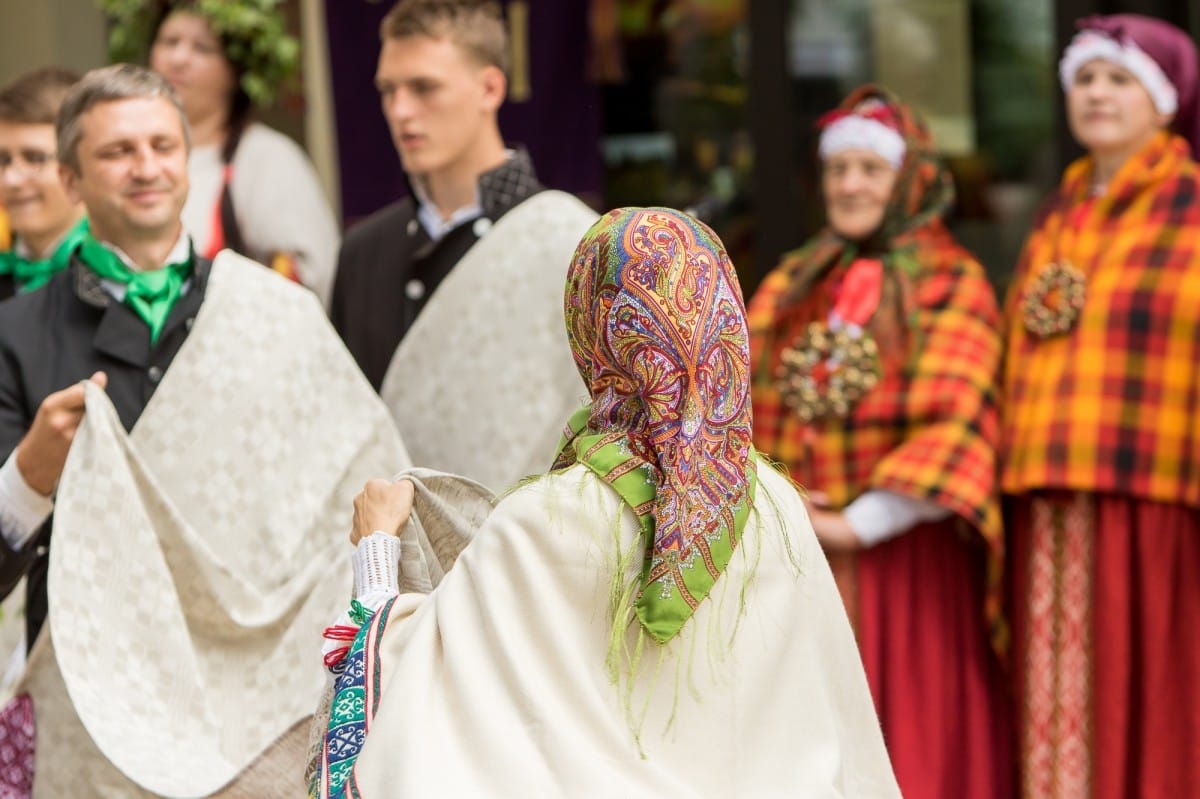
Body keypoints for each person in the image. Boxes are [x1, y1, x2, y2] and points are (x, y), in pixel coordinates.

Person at [310, 206, 901, 798]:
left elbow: (400, 708)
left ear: (592, 333)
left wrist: (378, 551)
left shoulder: (543, 525)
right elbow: (838, 732)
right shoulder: (779, 508)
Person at [0, 64, 410, 797]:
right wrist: (31, 474)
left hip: (264, 712)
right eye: (118, 151)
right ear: (70, 179)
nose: (146, 167)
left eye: (162, 145)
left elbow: (363, 490)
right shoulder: (15, 336)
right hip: (94, 713)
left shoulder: (276, 312)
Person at [746, 86, 1012, 799]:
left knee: (911, 741)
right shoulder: (794, 281)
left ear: (909, 178)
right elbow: (735, 397)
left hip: (904, 564)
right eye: (838, 169)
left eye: (870, 168)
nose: (851, 184)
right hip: (802, 556)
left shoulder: (953, 282)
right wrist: (782, 501)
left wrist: (855, 524)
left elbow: (959, 421)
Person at [1002, 15, 1200, 799]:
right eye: (1085, 78)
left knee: (1155, 690)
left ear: (1164, 100)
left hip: (1158, 488)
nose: (1097, 94)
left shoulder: (1191, 208)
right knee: (1054, 697)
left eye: (1119, 78)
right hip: (1046, 489)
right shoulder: (1056, 213)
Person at [331, 0, 597, 491]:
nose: (401, 110)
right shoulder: (363, 252)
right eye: (388, 91)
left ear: (490, 87)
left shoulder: (570, 241)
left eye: (424, 87)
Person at [97, 0, 341, 308]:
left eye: (203, 48)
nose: (179, 59)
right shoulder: (124, 159)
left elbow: (311, 282)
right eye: (170, 41)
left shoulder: (267, 159)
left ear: (236, 71)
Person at [0, 67, 86, 300]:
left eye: (34, 158)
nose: (10, 179)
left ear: (81, 164)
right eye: (3, 160)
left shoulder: (121, 278)